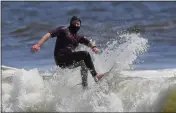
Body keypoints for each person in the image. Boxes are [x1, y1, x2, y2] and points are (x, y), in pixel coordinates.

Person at [31, 16, 104, 88]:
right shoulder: (63, 30)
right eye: (74, 23)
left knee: (84, 63)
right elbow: (48, 35)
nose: (76, 25)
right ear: (70, 23)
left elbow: (89, 42)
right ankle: (96, 76)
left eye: (78, 24)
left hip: (67, 62)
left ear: (80, 26)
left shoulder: (78, 37)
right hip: (61, 58)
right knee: (85, 54)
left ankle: (84, 86)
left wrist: (94, 47)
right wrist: (39, 44)